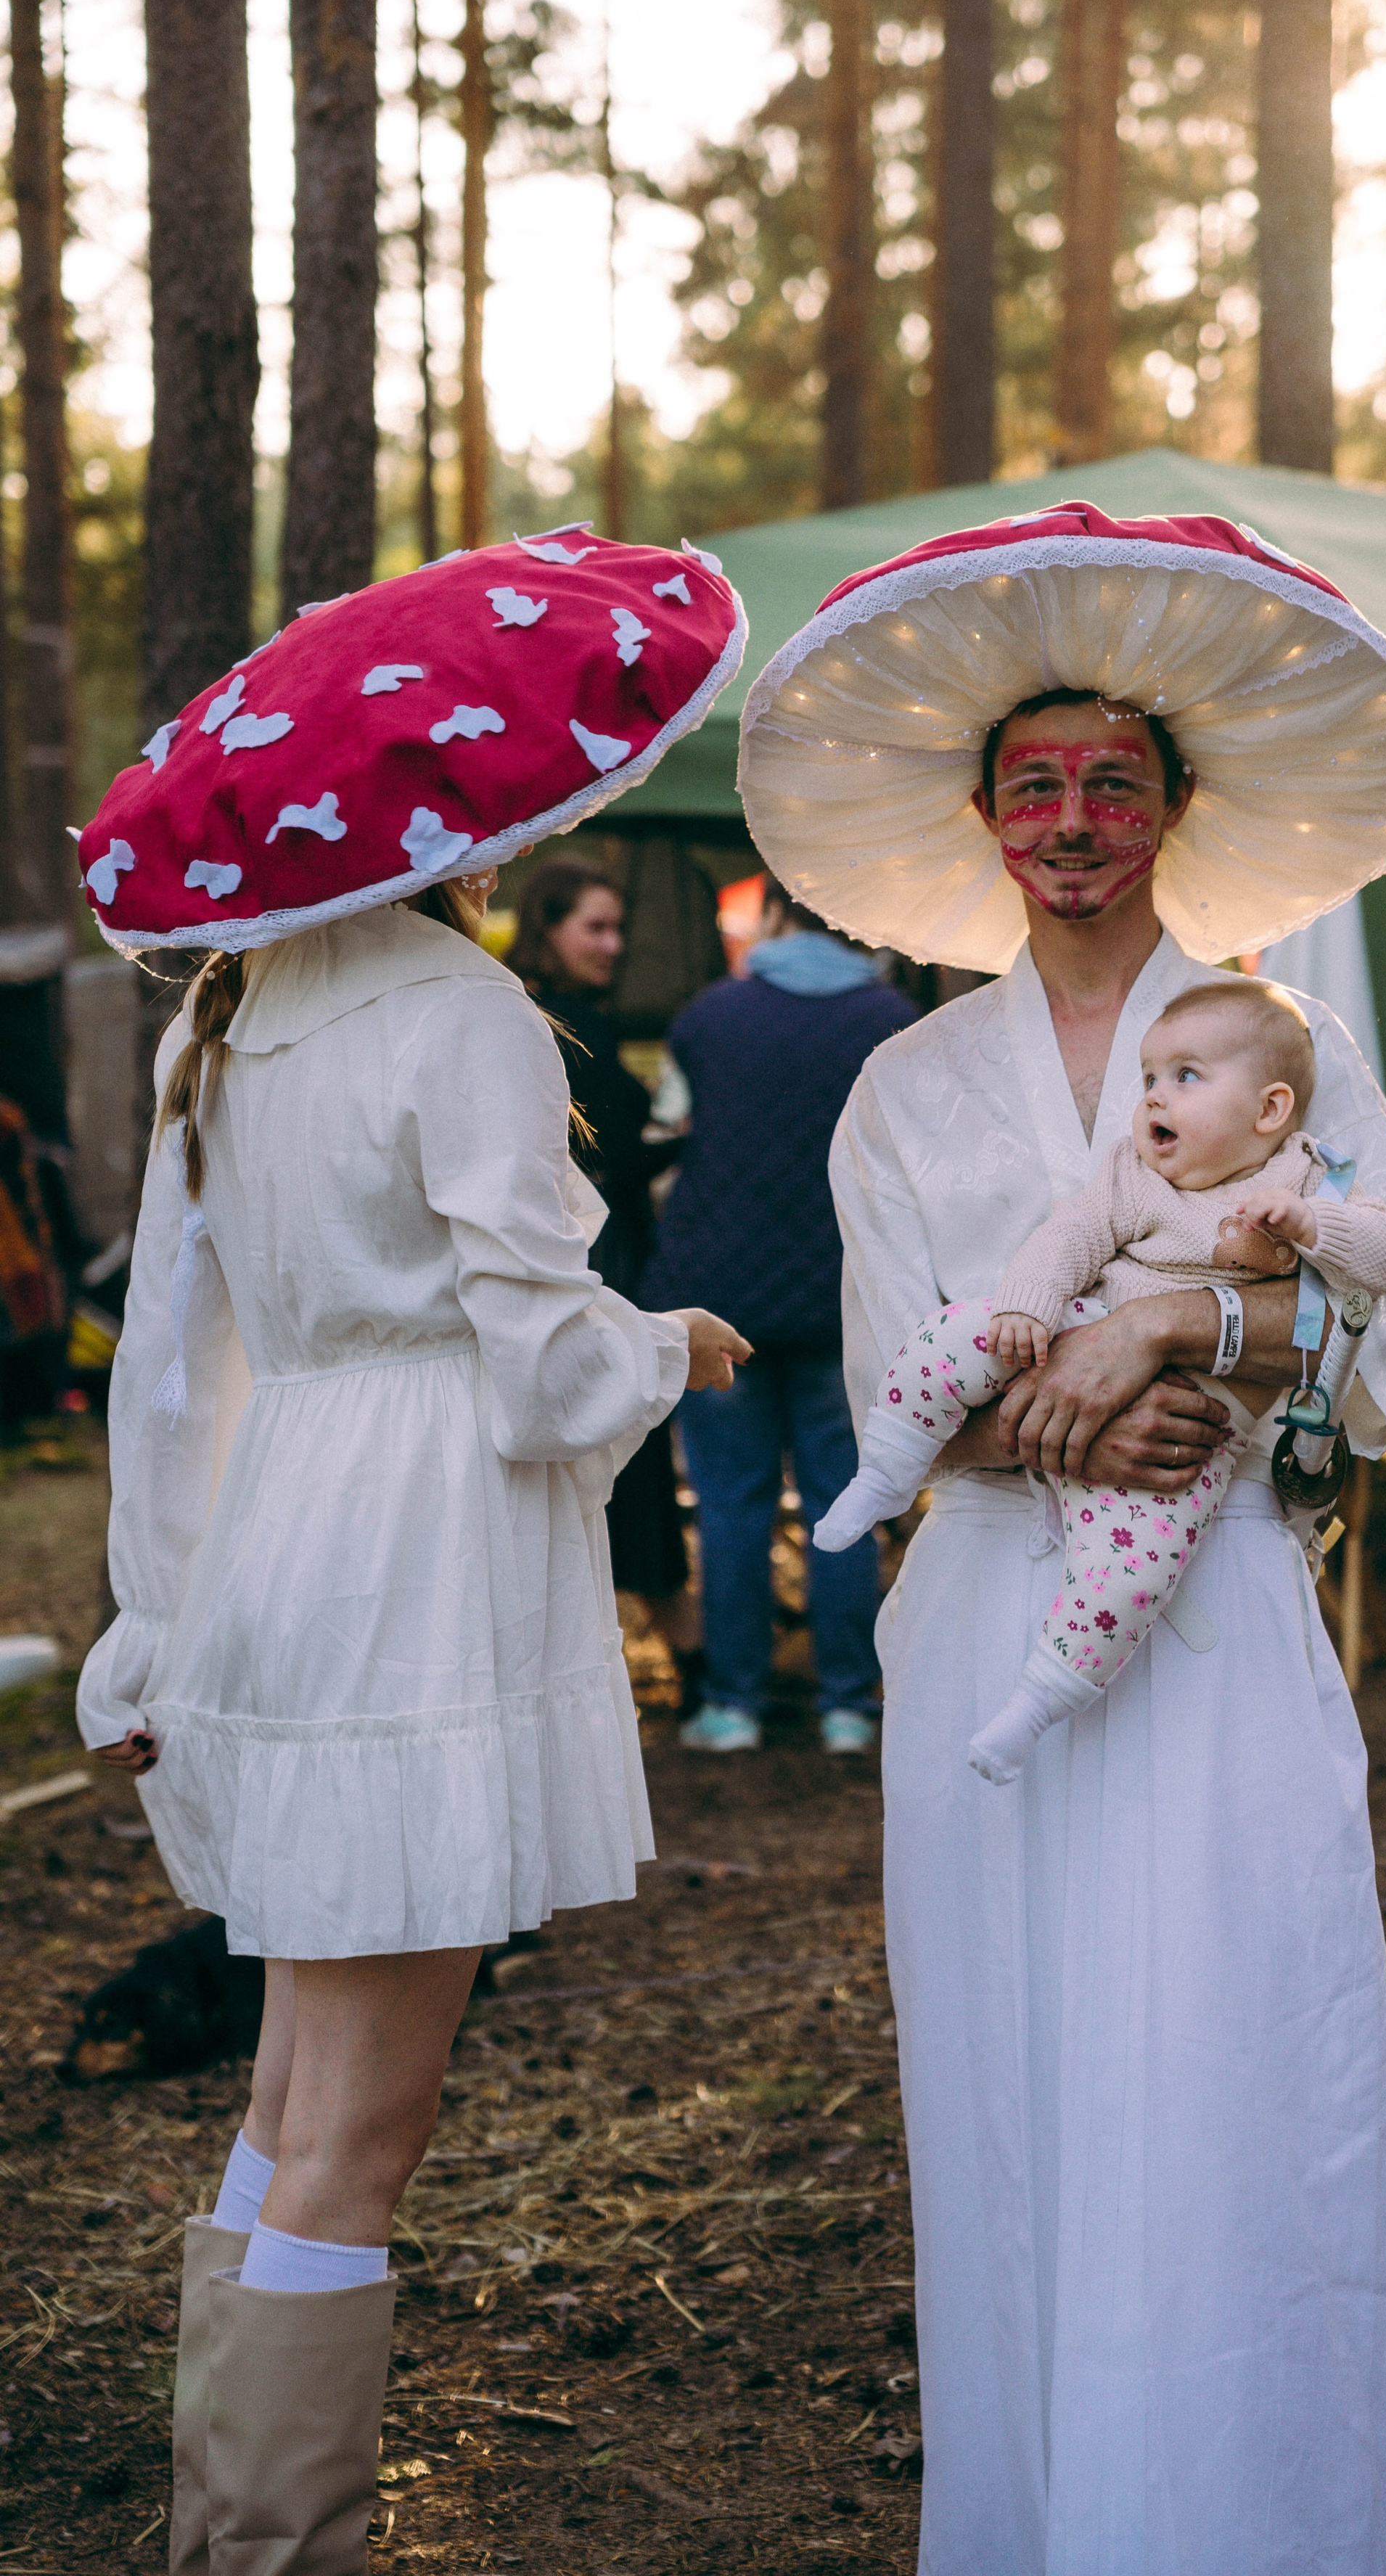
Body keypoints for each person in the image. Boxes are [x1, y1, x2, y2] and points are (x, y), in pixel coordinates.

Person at [739, 501, 1386, 2571]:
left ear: (1171, 810)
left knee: (1239, 2055)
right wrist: (1071, 1406)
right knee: (1018, 2090)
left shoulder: (1279, 1047)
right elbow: (901, 1369)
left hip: (1223, 1618)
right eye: (1038, 787)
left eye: (1114, 785)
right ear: (986, 817)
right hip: (986, 1630)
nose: (1075, 821)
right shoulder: (901, 1088)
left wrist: (1188, 1320)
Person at [71, 528, 750, 2572]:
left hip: (286, 1533)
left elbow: (169, 1374)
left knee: (294, 2099)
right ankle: (269, 2554)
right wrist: (678, 1342)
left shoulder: (223, 1017)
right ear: (487, 805)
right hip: (422, 1552)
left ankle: (226, 2539)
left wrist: (150, 1622)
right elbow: (549, 1370)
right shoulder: (465, 1012)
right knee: (359, 2132)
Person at [817, 970, 1386, 1782]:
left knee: (1129, 1582)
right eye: (1149, 1081)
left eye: (1183, 1079)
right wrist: (1027, 1314)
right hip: (1044, 1391)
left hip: (1192, 1455)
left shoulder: (1308, 1175)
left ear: (1270, 1111)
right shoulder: (1129, 1171)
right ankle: (884, 1470)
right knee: (951, 1337)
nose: (1155, 1099)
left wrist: (1313, 1230)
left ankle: (1039, 1700)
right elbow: (1070, 1239)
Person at [641, 878, 917, 1755]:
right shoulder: (894, 1024)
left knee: (729, 1503)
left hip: (720, 1298)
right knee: (845, 1499)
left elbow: (669, 1127)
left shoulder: (708, 1017)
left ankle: (733, 1703)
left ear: (774, 918)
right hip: (845, 1298)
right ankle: (847, 1706)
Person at [509, 853, 694, 1633]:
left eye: (618, 929)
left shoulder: (554, 1014)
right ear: (546, 930)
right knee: (626, 1443)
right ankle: (683, 1647)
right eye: (596, 927)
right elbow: (606, 1152)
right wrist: (679, 1140)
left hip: (596, 1255)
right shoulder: (554, 1024)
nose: (613, 945)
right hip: (598, 1263)